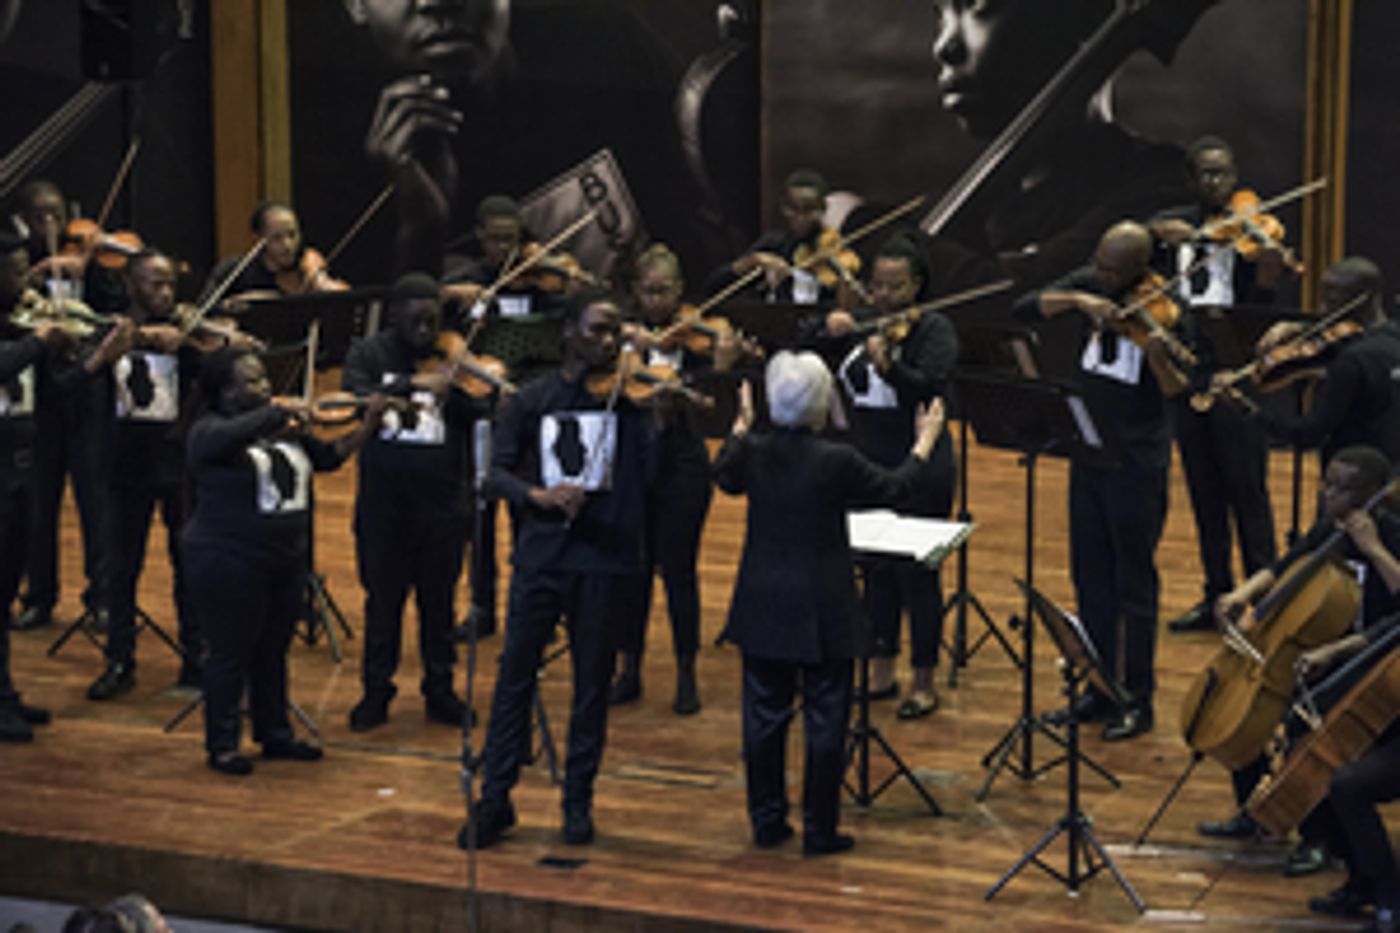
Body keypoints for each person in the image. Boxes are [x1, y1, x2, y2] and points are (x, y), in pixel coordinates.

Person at [715, 351, 945, 855]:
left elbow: (724, 474)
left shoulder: (752, 451)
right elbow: (897, 488)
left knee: (763, 716)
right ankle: (820, 829)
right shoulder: (834, 460)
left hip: (763, 600)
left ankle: (767, 820)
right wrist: (924, 443)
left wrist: (740, 425)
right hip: (823, 603)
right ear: (822, 405)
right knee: (825, 719)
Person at [461, 289, 654, 848]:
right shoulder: (531, 400)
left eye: (615, 332)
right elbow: (493, 475)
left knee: (591, 686)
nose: (610, 342)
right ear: (568, 332)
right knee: (513, 681)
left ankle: (578, 803)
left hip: (605, 560)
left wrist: (662, 419)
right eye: (597, 330)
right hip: (542, 558)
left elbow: (652, 480)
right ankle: (495, 800)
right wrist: (537, 497)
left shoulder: (631, 403)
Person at [1014, 221, 1188, 741]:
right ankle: (1099, 688)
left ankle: (1139, 697)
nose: (1106, 277)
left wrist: (1159, 354)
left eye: (1117, 271)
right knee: (1090, 578)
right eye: (1102, 266)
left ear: (1142, 268)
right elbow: (1024, 307)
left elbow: (1184, 391)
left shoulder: (1170, 306)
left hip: (1136, 464)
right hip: (1087, 454)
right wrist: (1078, 301)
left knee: (1133, 585)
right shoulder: (1091, 282)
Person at [1200, 446, 1400, 878]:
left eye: (1341, 488)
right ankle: (1254, 810)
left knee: (1304, 725)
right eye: (1326, 483)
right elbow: (1286, 565)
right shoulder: (1329, 527)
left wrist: (1373, 547)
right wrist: (1242, 594)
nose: (1328, 495)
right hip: (1319, 649)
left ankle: (1319, 839)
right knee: (1252, 709)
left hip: (1370, 657)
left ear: (1371, 495)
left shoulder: (1391, 533)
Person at [186, 348, 386, 774]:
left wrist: (366, 425)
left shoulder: (285, 430)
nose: (263, 388)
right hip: (228, 557)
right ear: (224, 391)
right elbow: (217, 441)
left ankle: (273, 732)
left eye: (263, 380)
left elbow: (329, 458)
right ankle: (221, 743)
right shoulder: (210, 431)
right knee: (230, 652)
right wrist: (274, 412)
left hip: (283, 558)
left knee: (273, 649)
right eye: (251, 382)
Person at [920, 0, 1206, 294]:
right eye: (942, 16)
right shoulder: (992, 217)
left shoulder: (1166, 195)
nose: (944, 46)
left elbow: (1018, 298)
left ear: (1090, 17)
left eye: (981, 7)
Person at [83, 249, 254, 701]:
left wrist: (206, 342)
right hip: (124, 465)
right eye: (153, 284)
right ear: (131, 285)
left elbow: (219, 378)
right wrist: (138, 337)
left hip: (178, 467)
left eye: (169, 286)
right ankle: (119, 658)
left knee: (188, 564)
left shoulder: (187, 337)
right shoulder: (111, 330)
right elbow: (85, 371)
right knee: (121, 569)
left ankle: (195, 658)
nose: (163, 293)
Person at [812, 235, 958, 718]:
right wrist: (827, 324)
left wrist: (888, 366)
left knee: (918, 576)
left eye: (895, 287)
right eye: (876, 285)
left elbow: (928, 388)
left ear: (916, 286)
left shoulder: (934, 330)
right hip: (868, 464)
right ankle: (880, 669)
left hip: (920, 465)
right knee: (875, 573)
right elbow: (805, 342)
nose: (883, 297)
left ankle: (923, 680)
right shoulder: (862, 323)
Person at [1148, 136, 1286, 633]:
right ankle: (1215, 595)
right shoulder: (1176, 226)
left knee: (1248, 491)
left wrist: (1268, 269)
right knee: (1205, 492)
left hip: (1239, 375)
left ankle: (1263, 601)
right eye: (1205, 174)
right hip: (1190, 374)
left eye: (1223, 173)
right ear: (1190, 180)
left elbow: (1266, 307)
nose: (1215, 183)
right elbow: (1135, 240)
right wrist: (1164, 235)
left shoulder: (1251, 235)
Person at [342, 272, 479, 731]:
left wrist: (464, 384)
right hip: (385, 507)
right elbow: (353, 398)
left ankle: (440, 691)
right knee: (383, 604)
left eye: (432, 320)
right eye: (416, 321)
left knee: (438, 607)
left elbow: (482, 409)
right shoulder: (369, 353)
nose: (425, 329)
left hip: (442, 506)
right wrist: (411, 383)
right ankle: (376, 692)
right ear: (394, 316)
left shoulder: (454, 355)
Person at [608, 243, 740, 714]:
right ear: (635, 292)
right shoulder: (623, 334)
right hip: (632, 461)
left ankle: (686, 672)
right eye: (647, 292)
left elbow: (718, 409)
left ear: (681, 290)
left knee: (679, 571)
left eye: (665, 292)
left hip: (682, 461)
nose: (656, 302)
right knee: (632, 571)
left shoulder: (698, 340)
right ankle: (629, 669)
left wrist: (719, 371)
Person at [9, 179, 124, 632]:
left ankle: (101, 596)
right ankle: (39, 597)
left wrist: (93, 265)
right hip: (42, 400)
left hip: (88, 395)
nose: (52, 225)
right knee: (40, 504)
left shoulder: (91, 265)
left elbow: (114, 314)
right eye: (42, 217)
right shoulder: (17, 269)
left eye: (58, 215)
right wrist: (34, 275)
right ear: (24, 220)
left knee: (96, 501)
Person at [0, 227, 74, 740]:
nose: (27, 277)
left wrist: (97, 358)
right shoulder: (17, 339)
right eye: (16, 268)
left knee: (6, 590)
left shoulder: (18, 329)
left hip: (19, 472)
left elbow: (57, 390)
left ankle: (4, 693)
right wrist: (37, 342)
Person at [1238, 257, 1400, 465]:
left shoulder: (1351, 361)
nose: (1323, 310)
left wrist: (1249, 411)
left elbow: (1309, 434)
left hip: (1354, 475)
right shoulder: (1391, 340)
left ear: (1363, 299)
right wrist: (1299, 328)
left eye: (1332, 301)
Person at [706, 168, 855, 307]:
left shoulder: (836, 248)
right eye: (793, 209)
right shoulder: (774, 244)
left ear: (823, 208)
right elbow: (714, 286)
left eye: (809, 210)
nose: (801, 218)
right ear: (783, 207)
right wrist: (753, 260)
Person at [204, 201, 347, 303]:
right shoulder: (235, 269)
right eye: (277, 238)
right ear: (258, 239)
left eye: (292, 234)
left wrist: (322, 285)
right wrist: (239, 302)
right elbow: (206, 308)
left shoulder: (308, 263)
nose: (288, 244)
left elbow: (342, 297)